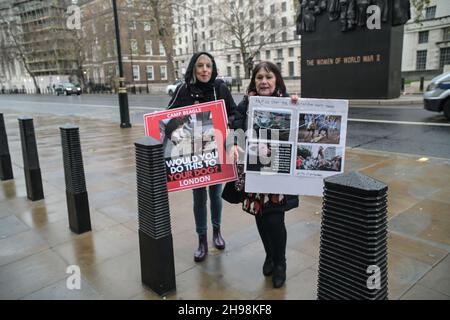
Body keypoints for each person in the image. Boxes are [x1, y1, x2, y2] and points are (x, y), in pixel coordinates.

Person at [229, 61, 299, 288]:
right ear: (254, 82)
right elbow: (234, 125)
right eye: (259, 77)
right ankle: (269, 254)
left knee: (275, 219)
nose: (264, 81)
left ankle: (280, 262)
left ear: (277, 80)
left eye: (268, 77)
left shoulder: (289, 102)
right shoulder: (246, 104)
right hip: (254, 170)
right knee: (260, 215)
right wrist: (233, 142)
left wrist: (299, 106)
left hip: (278, 172)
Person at [167, 52, 237, 262]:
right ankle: (202, 239)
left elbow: (234, 112)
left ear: (212, 68)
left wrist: (227, 123)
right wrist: (173, 131)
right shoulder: (184, 89)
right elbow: (168, 115)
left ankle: (216, 231)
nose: (205, 70)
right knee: (199, 197)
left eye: (208, 65)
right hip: (193, 153)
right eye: (200, 66)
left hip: (216, 150)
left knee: (215, 194)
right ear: (193, 68)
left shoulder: (220, 88)